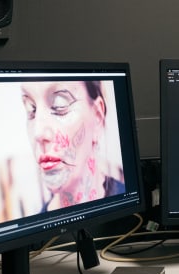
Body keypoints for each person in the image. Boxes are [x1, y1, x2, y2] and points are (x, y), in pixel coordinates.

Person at [21, 80, 125, 212]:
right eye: (32, 110)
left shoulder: (128, 207)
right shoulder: (38, 226)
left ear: (97, 117)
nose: (38, 133)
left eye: (59, 104)